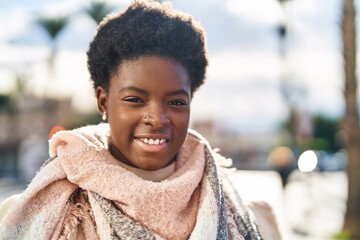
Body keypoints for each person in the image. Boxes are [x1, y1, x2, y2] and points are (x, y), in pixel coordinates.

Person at [0, 1, 281, 239]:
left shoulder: (253, 218)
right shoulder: (40, 215)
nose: (157, 118)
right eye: (135, 100)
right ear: (103, 101)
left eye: (176, 102)